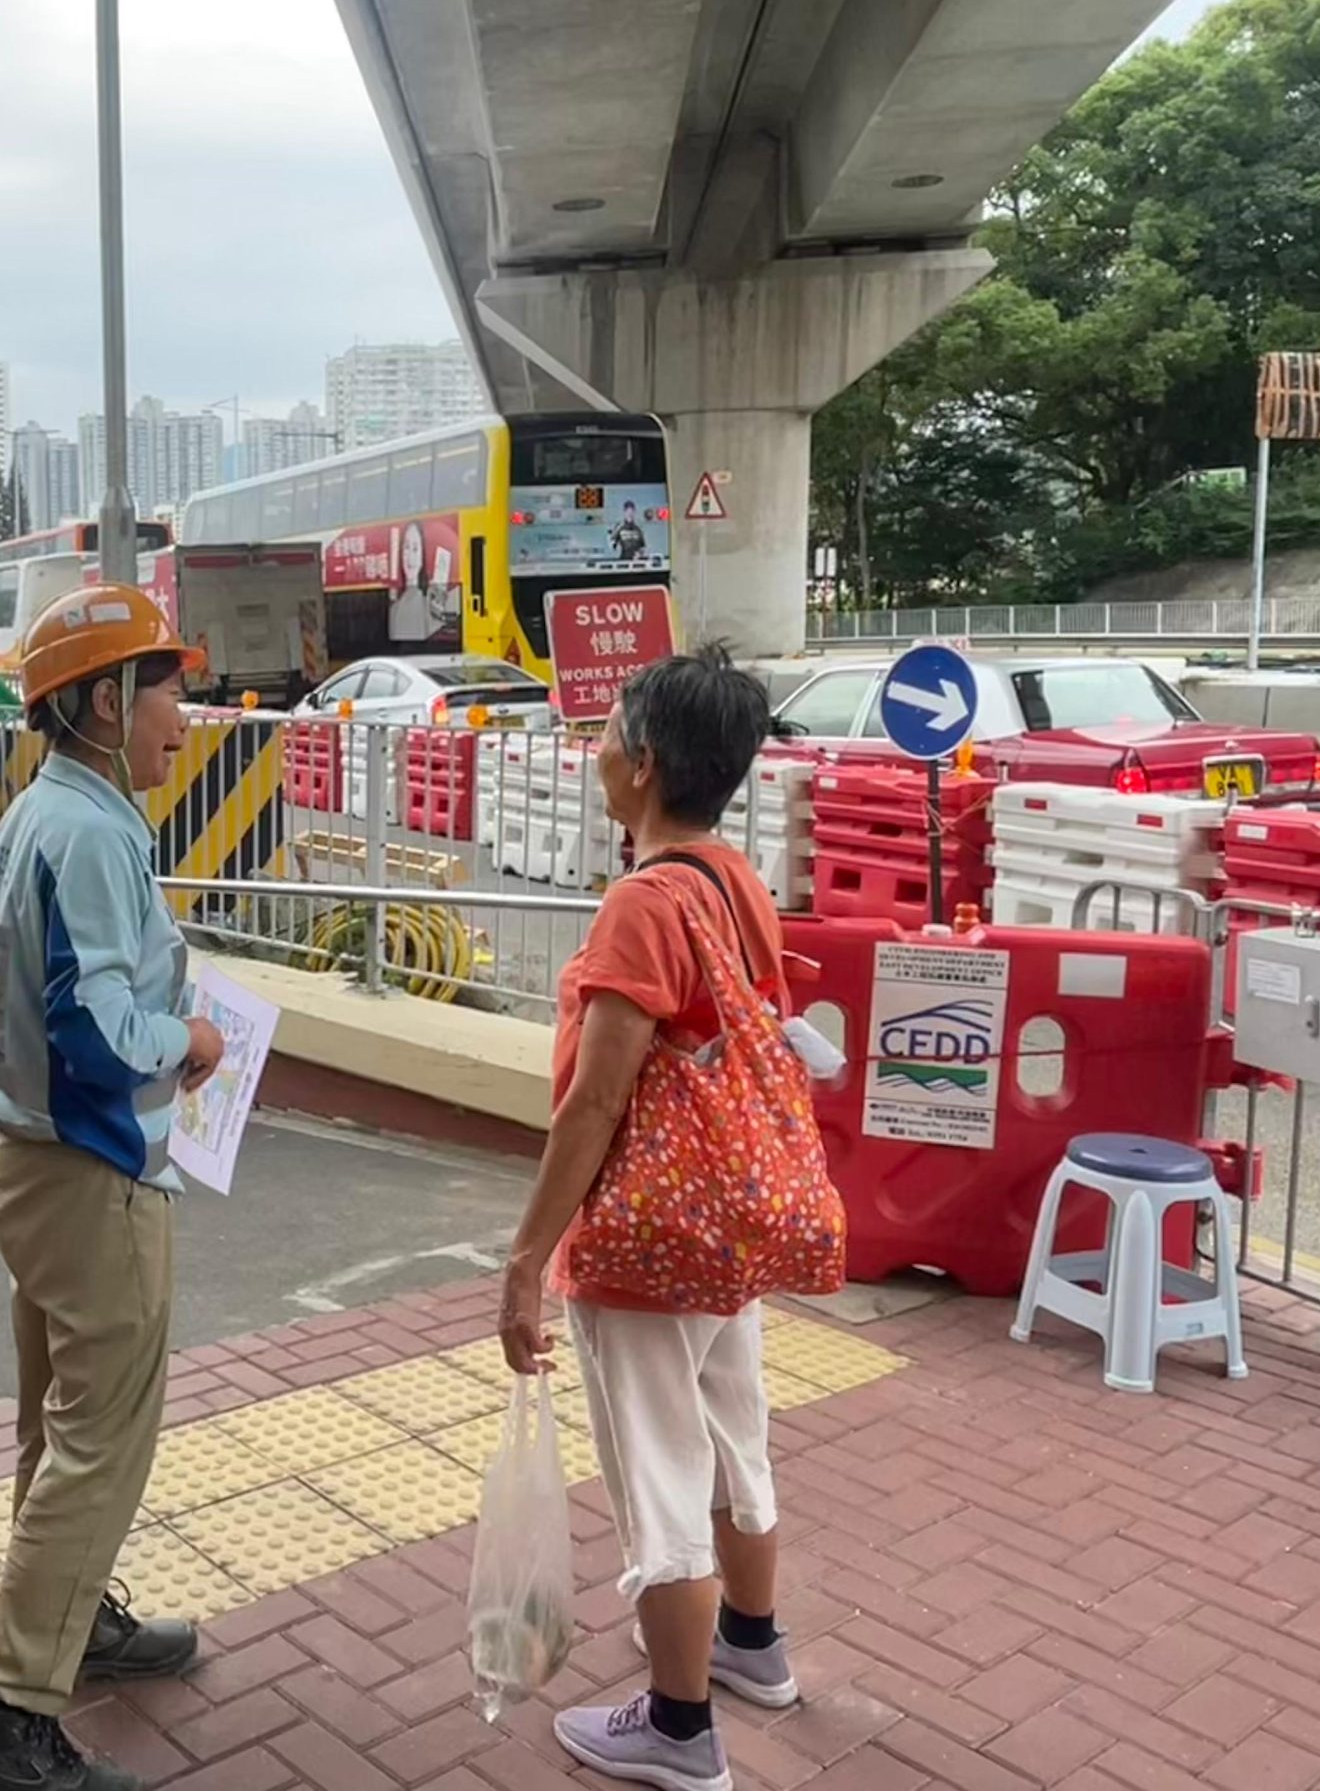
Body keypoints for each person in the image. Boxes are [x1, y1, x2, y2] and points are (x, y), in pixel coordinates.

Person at [498, 649, 801, 1791]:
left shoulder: (641, 904)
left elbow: (597, 1101)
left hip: (647, 1234)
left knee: (658, 1473)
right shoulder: (734, 880)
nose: (596, 752)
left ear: (648, 765)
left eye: (609, 733)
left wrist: (527, 1259)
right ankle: (752, 1646)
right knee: (732, 1436)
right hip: (732, 1217)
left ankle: (678, 1730)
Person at [0, 585, 227, 1791]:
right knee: (98, 1444)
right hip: (90, 1176)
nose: (183, 717)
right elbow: (98, 1032)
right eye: (167, 690)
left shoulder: (40, 812)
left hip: (26, 1163)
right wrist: (191, 1040)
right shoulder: (97, 834)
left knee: (57, 1430)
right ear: (106, 702)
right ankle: (7, 1722)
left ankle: (73, 1629)